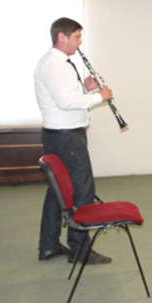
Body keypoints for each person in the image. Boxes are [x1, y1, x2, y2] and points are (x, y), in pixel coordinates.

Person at [34, 17, 113, 265]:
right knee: (82, 190)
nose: (80, 42)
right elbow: (65, 102)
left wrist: (86, 89)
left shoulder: (57, 63)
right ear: (62, 37)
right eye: (77, 37)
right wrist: (99, 97)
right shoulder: (54, 64)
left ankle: (49, 246)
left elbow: (66, 96)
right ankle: (80, 250)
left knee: (56, 192)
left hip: (60, 135)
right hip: (66, 137)